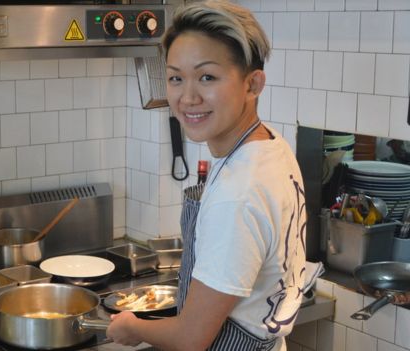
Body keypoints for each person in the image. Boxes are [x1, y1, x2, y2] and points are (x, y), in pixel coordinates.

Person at [106, 1, 307, 350]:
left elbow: (190, 339)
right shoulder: (270, 146)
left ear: (253, 84)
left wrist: (133, 327)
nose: (188, 97)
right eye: (175, 78)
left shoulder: (238, 194)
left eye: (207, 77)